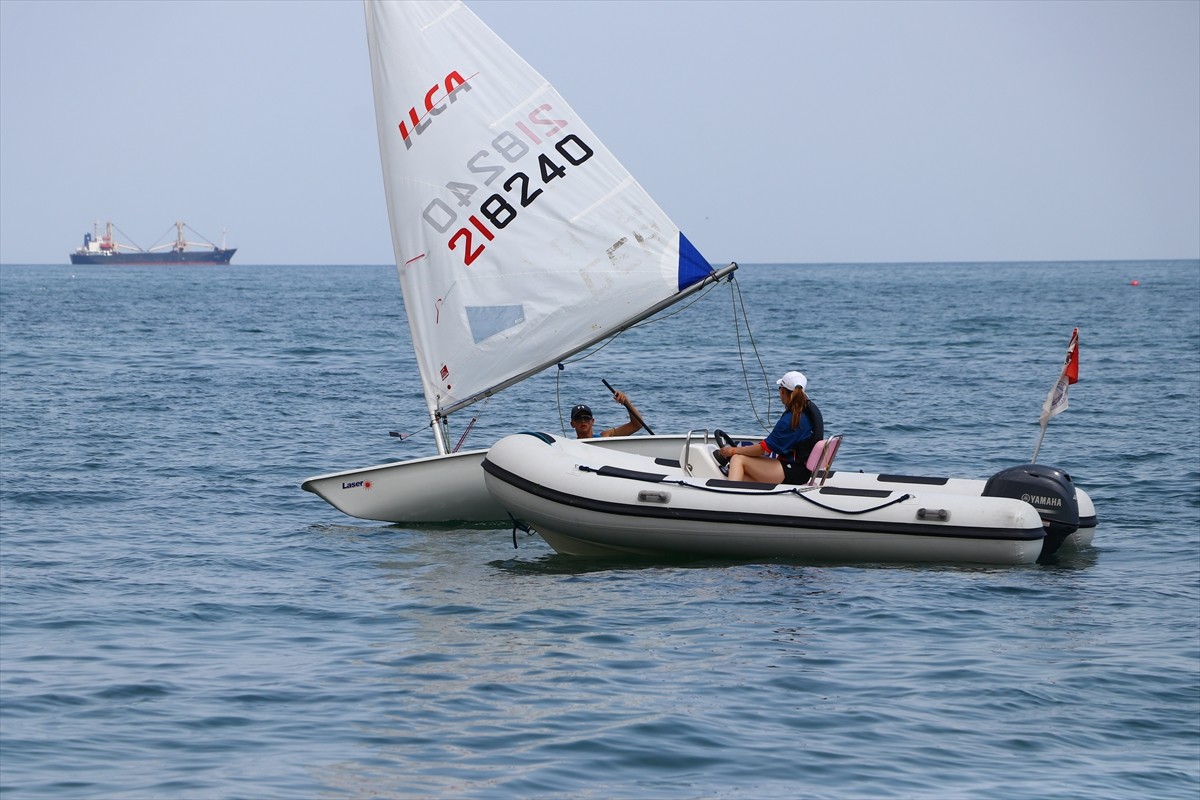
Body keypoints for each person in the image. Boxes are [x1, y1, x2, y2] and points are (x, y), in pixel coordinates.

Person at [717, 371, 824, 484]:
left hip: (793, 472)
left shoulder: (792, 420)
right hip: (801, 470)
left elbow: (763, 450)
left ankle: (729, 497)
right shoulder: (806, 411)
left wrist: (733, 451)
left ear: (782, 391)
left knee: (737, 459)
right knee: (742, 475)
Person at [569, 390, 645, 438]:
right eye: (578, 418)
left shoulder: (605, 437)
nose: (583, 421)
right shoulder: (570, 445)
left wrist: (626, 402)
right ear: (572, 424)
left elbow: (637, 424)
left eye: (586, 417)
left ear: (592, 421)